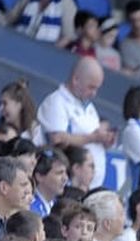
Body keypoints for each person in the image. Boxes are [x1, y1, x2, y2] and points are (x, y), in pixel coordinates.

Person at [34, 57, 116, 192]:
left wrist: (104, 141)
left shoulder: (89, 107)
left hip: (89, 187)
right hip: (66, 186)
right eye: (91, 87)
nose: (94, 93)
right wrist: (93, 138)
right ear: (76, 79)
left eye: (97, 88)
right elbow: (57, 139)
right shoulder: (57, 102)